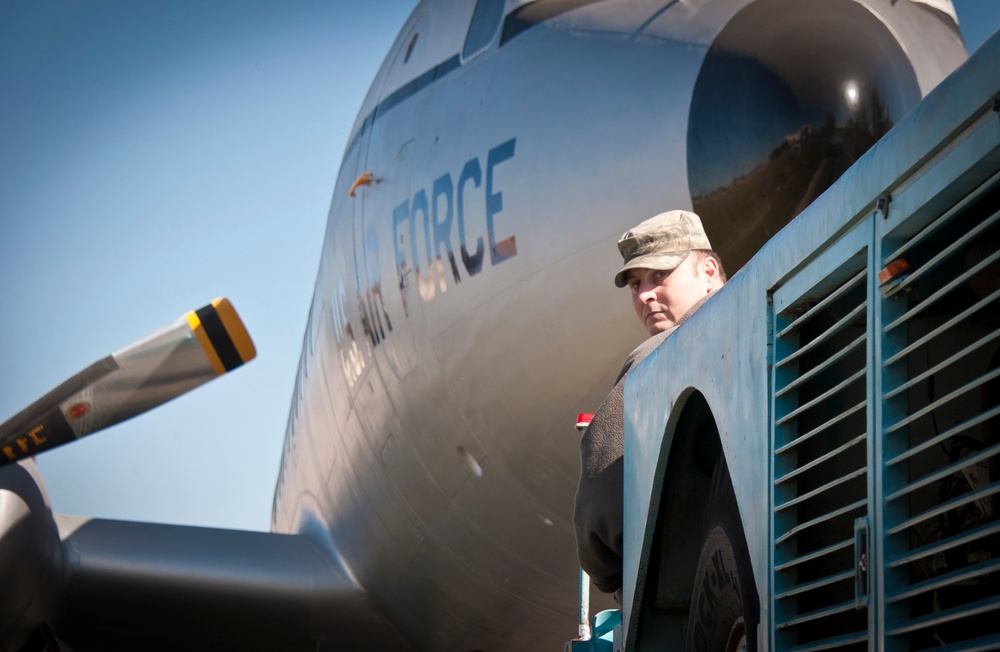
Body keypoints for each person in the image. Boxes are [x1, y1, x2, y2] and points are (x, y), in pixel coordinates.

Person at [573, 209, 726, 602]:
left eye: (660, 276)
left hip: (700, 597)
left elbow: (599, 509)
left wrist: (613, 577)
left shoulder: (660, 357)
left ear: (708, 271)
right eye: (636, 283)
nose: (644, 295)